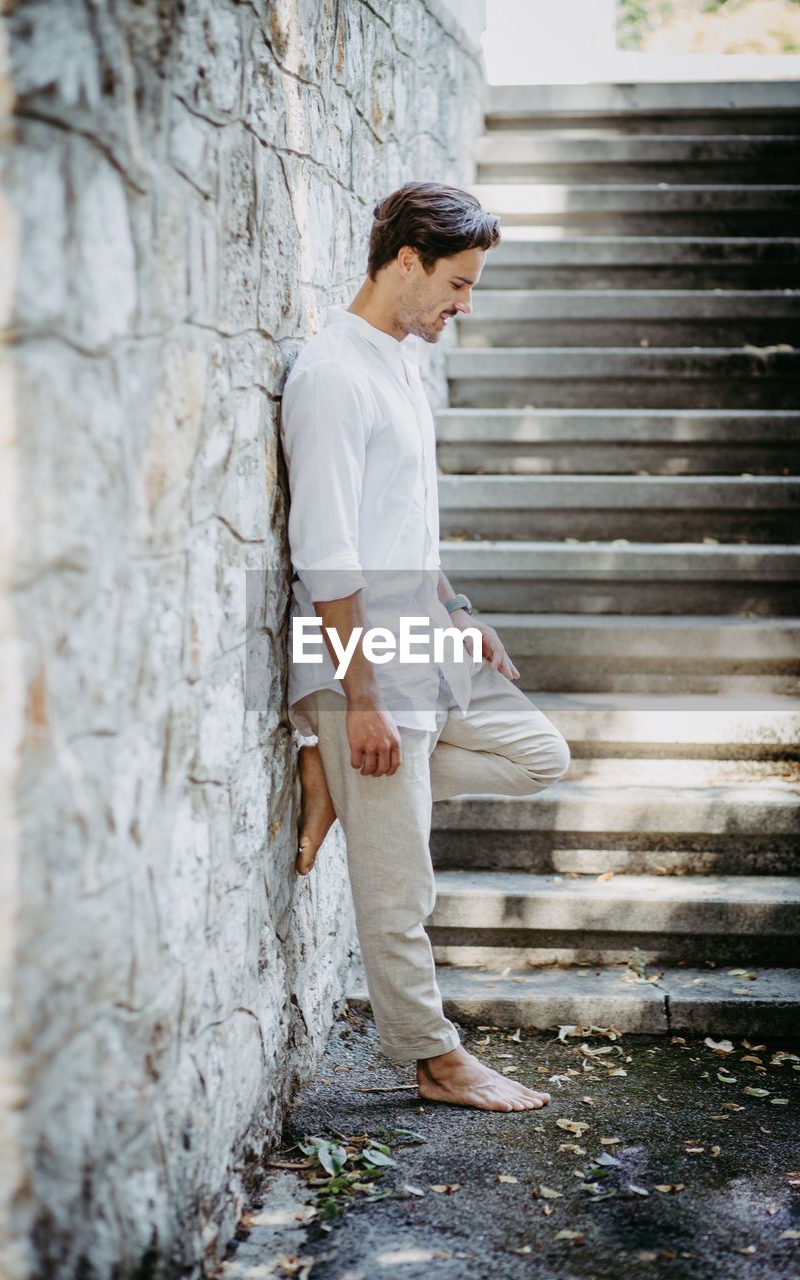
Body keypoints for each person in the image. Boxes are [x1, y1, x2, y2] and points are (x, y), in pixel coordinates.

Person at [279, 181, 570, 1111]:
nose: (463, 305)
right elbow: (327, 556)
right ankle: (433, 1057)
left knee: (539, 756)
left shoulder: (399, 360)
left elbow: (406, 522)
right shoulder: (330, 376)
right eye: (458, 283)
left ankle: (342, 781)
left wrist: (458, 607)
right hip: (365, 655)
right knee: (399, 885)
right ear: (406, 262)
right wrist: (356, 701)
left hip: (424, 629)